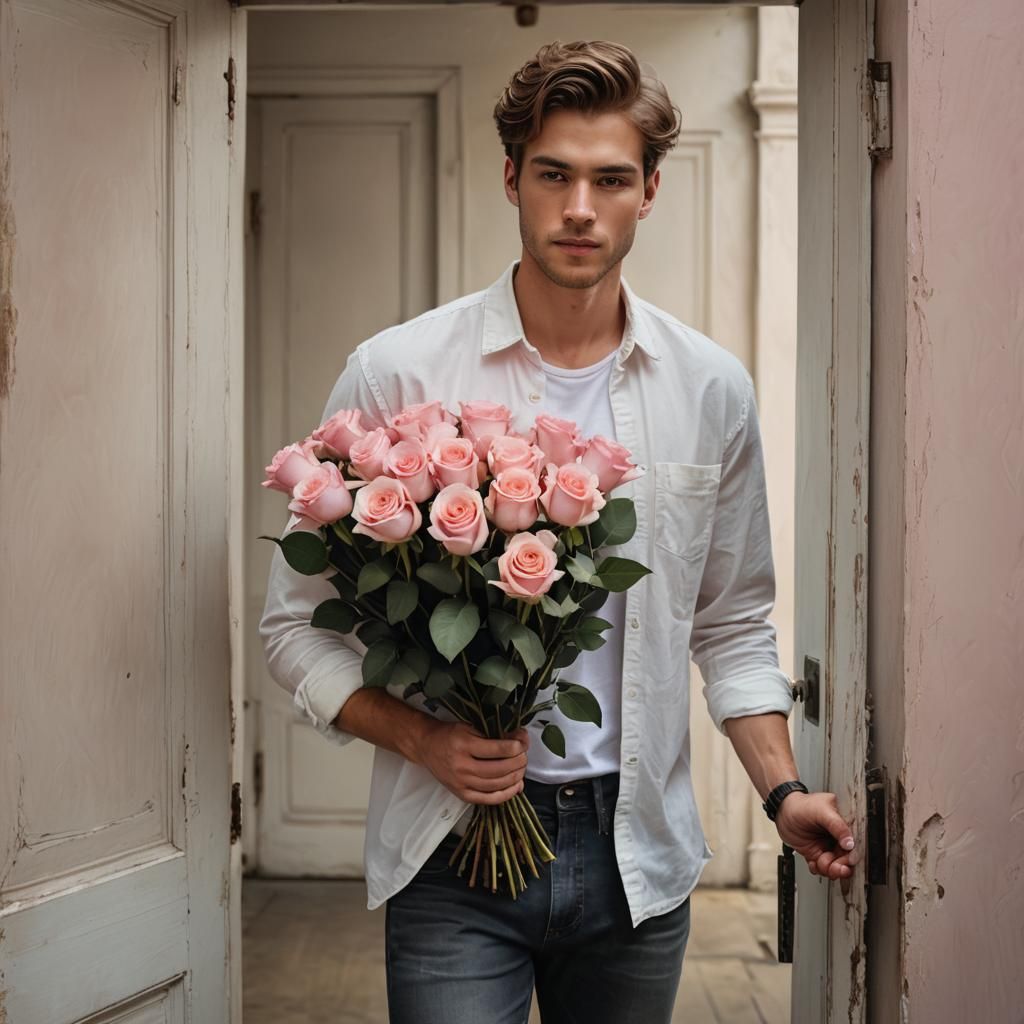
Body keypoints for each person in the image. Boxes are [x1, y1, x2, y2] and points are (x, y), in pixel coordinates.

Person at [260, 38, 860, 1024]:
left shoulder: (710, 388)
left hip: (637, 850)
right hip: (449, 848)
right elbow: (293, 629)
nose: (580, 206)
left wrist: (782, 790)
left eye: (610, 178)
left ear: (649, 191)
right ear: (511, 178)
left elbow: (732, 624)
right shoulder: (398, 372)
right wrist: (424, 737)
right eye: (554, 174)